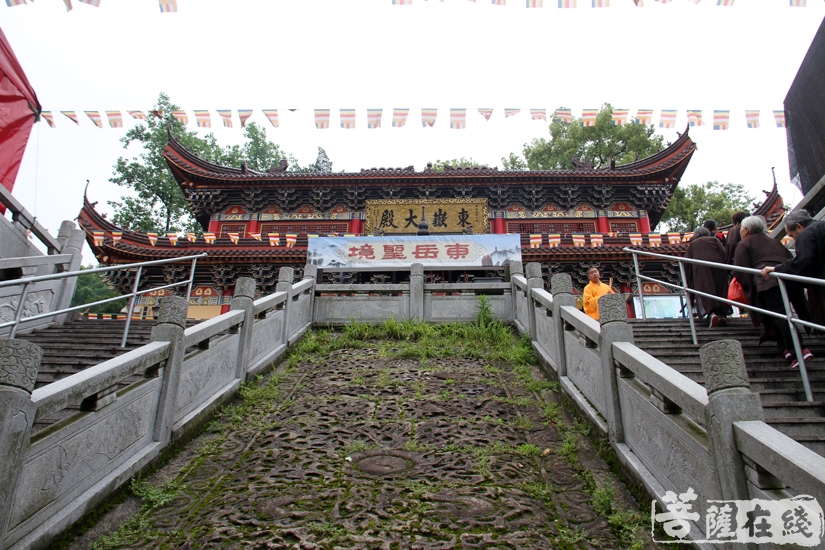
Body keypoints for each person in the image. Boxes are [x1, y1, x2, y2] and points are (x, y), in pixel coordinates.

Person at [734, 216, 813, 369]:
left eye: (741, 230)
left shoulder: (744, 244)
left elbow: (740, 270)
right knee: (782, 315)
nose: (741, 232)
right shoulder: (774, 241)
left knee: (779, 316)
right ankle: (784, 348)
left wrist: (749, 288)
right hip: (788, 278)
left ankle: (799, 350)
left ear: (747, 230)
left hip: (769, 281)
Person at [761, 209, 825, 331]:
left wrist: (777, 268)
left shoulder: (806, 234)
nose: (794, 240)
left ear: (799, 226)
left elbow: (803, 262)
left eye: (792, 235)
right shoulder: (821, 227)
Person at [684, 227, 732, 327]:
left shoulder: (692, 245)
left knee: (705, 290)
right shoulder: (714, 240)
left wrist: (688, 280)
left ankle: (711, 314)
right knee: (720, 290)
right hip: (718, 266)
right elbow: (724, 254)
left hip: (701, 269)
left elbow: (687, 264)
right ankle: (722, 315)